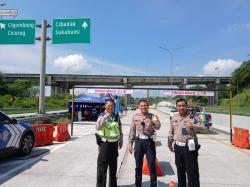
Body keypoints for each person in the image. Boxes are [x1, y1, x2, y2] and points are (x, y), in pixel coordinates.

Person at [168, 98, 207, 187]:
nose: (181, 107)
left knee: (192, 173)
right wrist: (169, 142)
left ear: (187, 106)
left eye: (183, 106)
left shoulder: (193, 117)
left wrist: (193, 126)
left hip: (189, 148)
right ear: (176, 107)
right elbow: (171, 131)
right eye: (179, 106)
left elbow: (204, 129)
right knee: (180, 172)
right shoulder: (174, 117)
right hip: (178, 148)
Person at [128, 99, 161, 187]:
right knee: (138, 166)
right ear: (139, 106)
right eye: (141, 105)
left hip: (149, 142)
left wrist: (152, 124)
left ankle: (153, 185)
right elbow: (132, 131)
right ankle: (138, 184)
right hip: (139, 142)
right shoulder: (135, 117)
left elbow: (158, 126)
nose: (143, 107)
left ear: (148, 106)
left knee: (151, 166)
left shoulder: (153, 116)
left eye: (145, 105)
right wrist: (130, 144)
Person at [96, 98, 123, 187]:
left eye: (112, 106)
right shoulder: (101, 115)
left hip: (114, 144)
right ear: (105, 106)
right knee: (102, 168)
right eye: (109, 105)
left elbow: (119, 127)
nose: (110, 107)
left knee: (113, 167)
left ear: (114, 106)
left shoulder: (116, 116)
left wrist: (121, 139)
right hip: (105, 144)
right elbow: (98, 128)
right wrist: (104, 118)